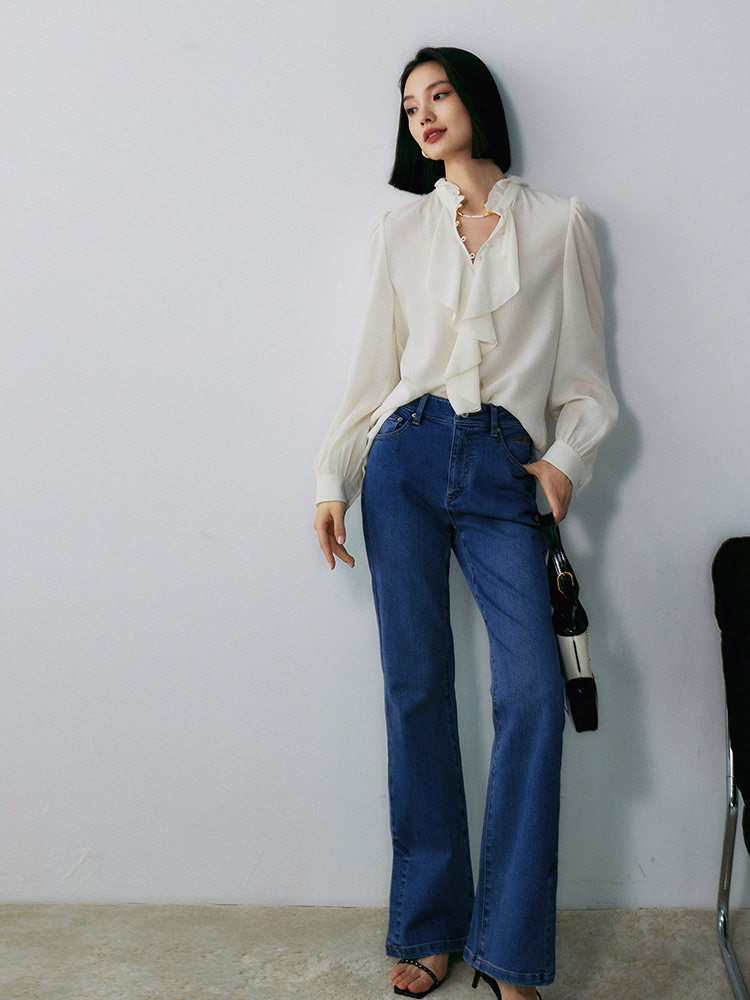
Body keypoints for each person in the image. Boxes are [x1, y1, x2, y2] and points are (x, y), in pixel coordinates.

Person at [313, 46, 618, 1000]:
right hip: (402, 458)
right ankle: (430, 926)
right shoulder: (398, 232)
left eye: (439, 94)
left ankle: (511, 951)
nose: (424, 114)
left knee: (531, 692)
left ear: (475, 101)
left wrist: (565, 462)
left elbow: (588, 384)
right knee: (416, 689)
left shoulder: (560, 223)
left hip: (502, 466)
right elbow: (372, 371)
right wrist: (332, 476)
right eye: (410, 105)